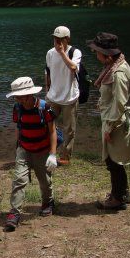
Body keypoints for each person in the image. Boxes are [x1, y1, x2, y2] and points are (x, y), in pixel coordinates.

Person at [86, 32, 130, 211]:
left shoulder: (118, 73)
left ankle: (117, 199)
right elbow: (113, 97)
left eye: (98, 52)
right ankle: (122, 193)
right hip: (114, 120)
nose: (96, 55)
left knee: (113, 161)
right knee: (114, 161)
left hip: (116, 123)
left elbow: (120, 103)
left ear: (108, 55)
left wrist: (109, 128)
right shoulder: (117, 65)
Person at [4, 77, 58, 231]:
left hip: (42, 150)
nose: (19, 101)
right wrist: (17, 148)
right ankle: (15, 213)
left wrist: (53, 154)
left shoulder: (45, 108)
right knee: (19, 179)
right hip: (24, 149)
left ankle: (48, 202)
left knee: (45, 181)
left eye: (21, 98)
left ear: (30, 95)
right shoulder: (17, 108)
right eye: (17, 98)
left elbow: (53, 131)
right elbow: (19, 129)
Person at [45, 25, 82, 165]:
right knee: (47, 124)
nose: (57, 42)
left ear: (67, 39)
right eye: (55, 39)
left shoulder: (75, 52)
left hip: (70, 97)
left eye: (60, 39)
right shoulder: (49, 53)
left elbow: (73, 68)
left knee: (69, 129)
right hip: (53, 96)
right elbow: (47, 72)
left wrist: (62, 53)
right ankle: (49, 151)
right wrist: (47, 91)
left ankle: (65, 156)